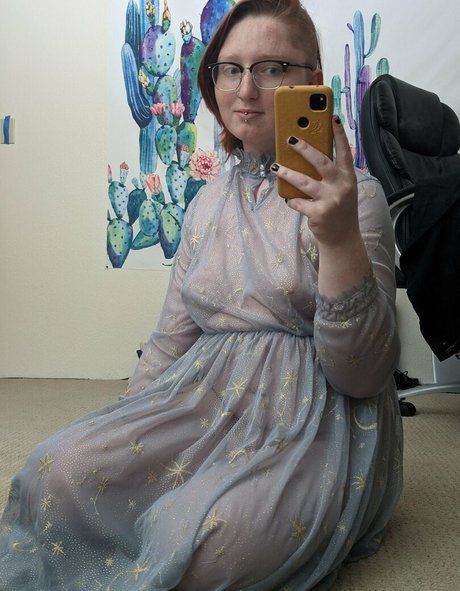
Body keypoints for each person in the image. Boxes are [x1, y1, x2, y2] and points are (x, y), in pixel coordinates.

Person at [0, 1, 403, 589]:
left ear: (312, 80)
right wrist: (126, 424)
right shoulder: (205, 203)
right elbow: (171, 338)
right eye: (229, 69)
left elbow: (362, 375)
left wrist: (338, 236)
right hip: (205, 398)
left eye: (271, 68)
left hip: (312, 417)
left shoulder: (358, 198)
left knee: (202, 541)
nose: (245, 90)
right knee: (56, 473)